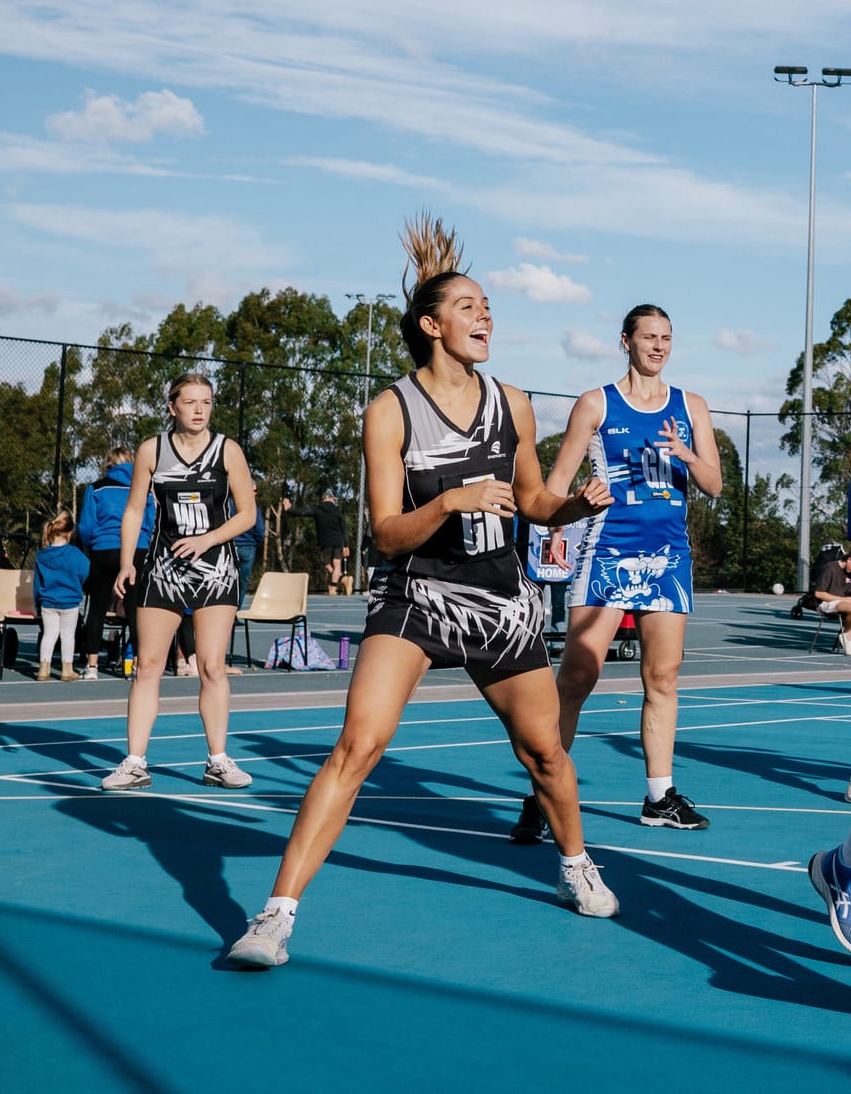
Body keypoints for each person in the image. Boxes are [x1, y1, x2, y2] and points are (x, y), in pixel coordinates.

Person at [224, 216, 616, 970]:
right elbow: (387, 532)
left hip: (500, 601)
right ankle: (275, 916)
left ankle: (575, 863)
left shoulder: (514, 402)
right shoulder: (390, 410)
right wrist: (449, 502)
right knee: (357, 745)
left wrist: (575, 505)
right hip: (418, 596)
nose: (486, 315)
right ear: (432, 324)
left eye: (488, 305)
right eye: (470, 305)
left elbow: (532, 500)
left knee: (546, 755)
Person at [521, 303, 723, 842]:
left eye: (666, 337)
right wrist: (560, 524)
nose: (658, 346)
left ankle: (659, 797)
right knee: (578, 678)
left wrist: (684, 450)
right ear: (625, 341)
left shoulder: (691, 407)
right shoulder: (596, 404)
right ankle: (543, 791)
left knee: (662, 677)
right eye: (648, 336)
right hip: (607, 550)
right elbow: (557, 483)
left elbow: (714, 484)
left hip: (668, 555)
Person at [98, 373, 259, 792]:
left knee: (210, 666)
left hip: (216, 569)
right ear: (172, 407)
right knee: (148, 667)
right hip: (162, 569)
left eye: (206, 401)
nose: (200, 409)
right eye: (190, 402)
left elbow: (247, 515)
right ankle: (134, 763)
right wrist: (126, 563)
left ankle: (218, 761)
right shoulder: (152, 450)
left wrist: (207, 540)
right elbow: (134, 510)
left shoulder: (229, 451)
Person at [74, 445, 154, 676]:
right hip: (137, 548)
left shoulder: (97, 488)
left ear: (109, 464)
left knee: (97, 609)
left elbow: (86, 526)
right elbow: (150, 519)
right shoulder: (144, 489)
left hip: (104, 548)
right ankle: (138, 664)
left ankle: (91, 665)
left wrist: (92, 547)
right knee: (134, 610)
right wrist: (143, 542)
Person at [32, 511, 90, 680]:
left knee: (49, 634)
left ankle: (44, 668)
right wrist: (77, 584)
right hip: (69, 600)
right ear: (70, 532)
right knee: (67, 635)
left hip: (48, 601)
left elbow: (37, 584)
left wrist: (37, 603)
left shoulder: (41, 556)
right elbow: (85, 571)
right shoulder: (75, 554)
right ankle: (67, 669)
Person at [284, 490, 350, 595]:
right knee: (337, 564)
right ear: (332, 498)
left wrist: (289, 509)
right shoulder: (338, 511)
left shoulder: (318, 509)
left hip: (325, 542)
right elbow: (344, 529)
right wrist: (346, 545)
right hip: (338, 541)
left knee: (327, 564)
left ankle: (337, 583)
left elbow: (302, 512)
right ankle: (339, 582)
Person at [232, 480, 264, 607]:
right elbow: (260, 530)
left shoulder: (227, 505)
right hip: (247, 547)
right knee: (242, 581)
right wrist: (256, 542)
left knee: (227, 581)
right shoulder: (253, 508)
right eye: (254, 490)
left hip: (231, 546)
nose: (255, 494)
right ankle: (236, 611)